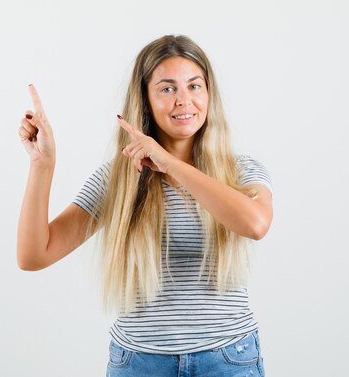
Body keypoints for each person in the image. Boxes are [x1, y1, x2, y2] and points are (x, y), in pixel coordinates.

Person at [17, 34, 273, 377]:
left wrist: (170, 164)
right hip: (140, 364)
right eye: (167, 89)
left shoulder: (241, 170)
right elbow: (34, 255)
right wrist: (42, 164)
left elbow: (255, 224)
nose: (184, 100)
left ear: (209, 95)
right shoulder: (118, 180)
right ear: (146, 100)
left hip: (227, 360)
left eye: (195, 86)